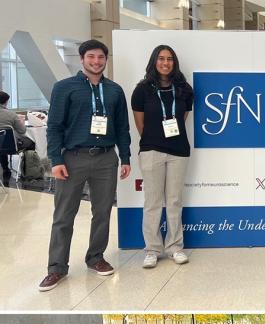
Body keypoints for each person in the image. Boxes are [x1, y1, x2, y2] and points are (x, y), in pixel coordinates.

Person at [38, 39, 131, 292]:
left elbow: (122, 127)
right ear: (82, 59)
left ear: (106, 60)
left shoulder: (114, 90)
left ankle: (96, 258)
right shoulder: (64, 88)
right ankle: (56, 268)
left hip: (105, 158)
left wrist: (126, 157)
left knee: (102, 212)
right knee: (64, 215)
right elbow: (54, 126)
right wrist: (56, 160)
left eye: (101, 57)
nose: (96, 61)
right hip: (73, 158)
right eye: (91, 57)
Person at [132, 45, 193, 268]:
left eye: (169, 59)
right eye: (161, 58)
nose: (165, 63)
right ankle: (152, 249)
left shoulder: (185, 89)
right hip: (151, 150)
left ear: (174, 63)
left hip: (179, 151)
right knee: (153, 202)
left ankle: (175, 247)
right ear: (154, 61)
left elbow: (182, 118)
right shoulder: (142, 90)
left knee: (175, 201)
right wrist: (156, 140)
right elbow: (141, 125)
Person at [0, 90, 35, 186]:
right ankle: (27, 172)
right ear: (6, 102)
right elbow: (22, 131)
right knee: (32, 142)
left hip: (1, 145)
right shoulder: (11, 115)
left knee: (1, 143)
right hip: (11, 146)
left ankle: (5, 168)